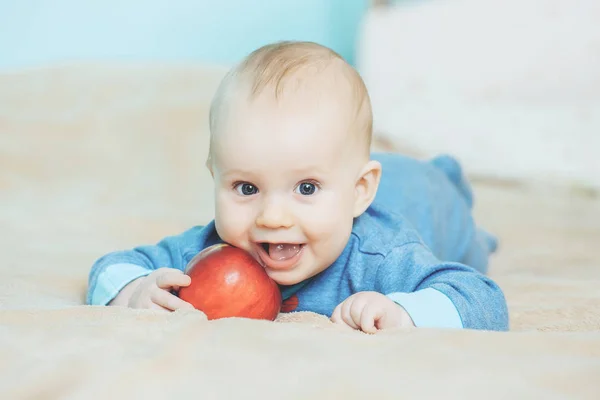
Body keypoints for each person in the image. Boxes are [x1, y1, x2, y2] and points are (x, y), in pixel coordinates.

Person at [86, 41, 509, 333]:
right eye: (247, 188)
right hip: (382, 182)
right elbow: (112, 265)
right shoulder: (207, 251)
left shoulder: (380, 256)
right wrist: (135, 291)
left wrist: (404, 312)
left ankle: (454, 186)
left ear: (360, 191)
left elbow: (484, 300)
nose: (272, 217)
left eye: (306, 188)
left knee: (469, 242)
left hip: (426, 198)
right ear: (215, 177)